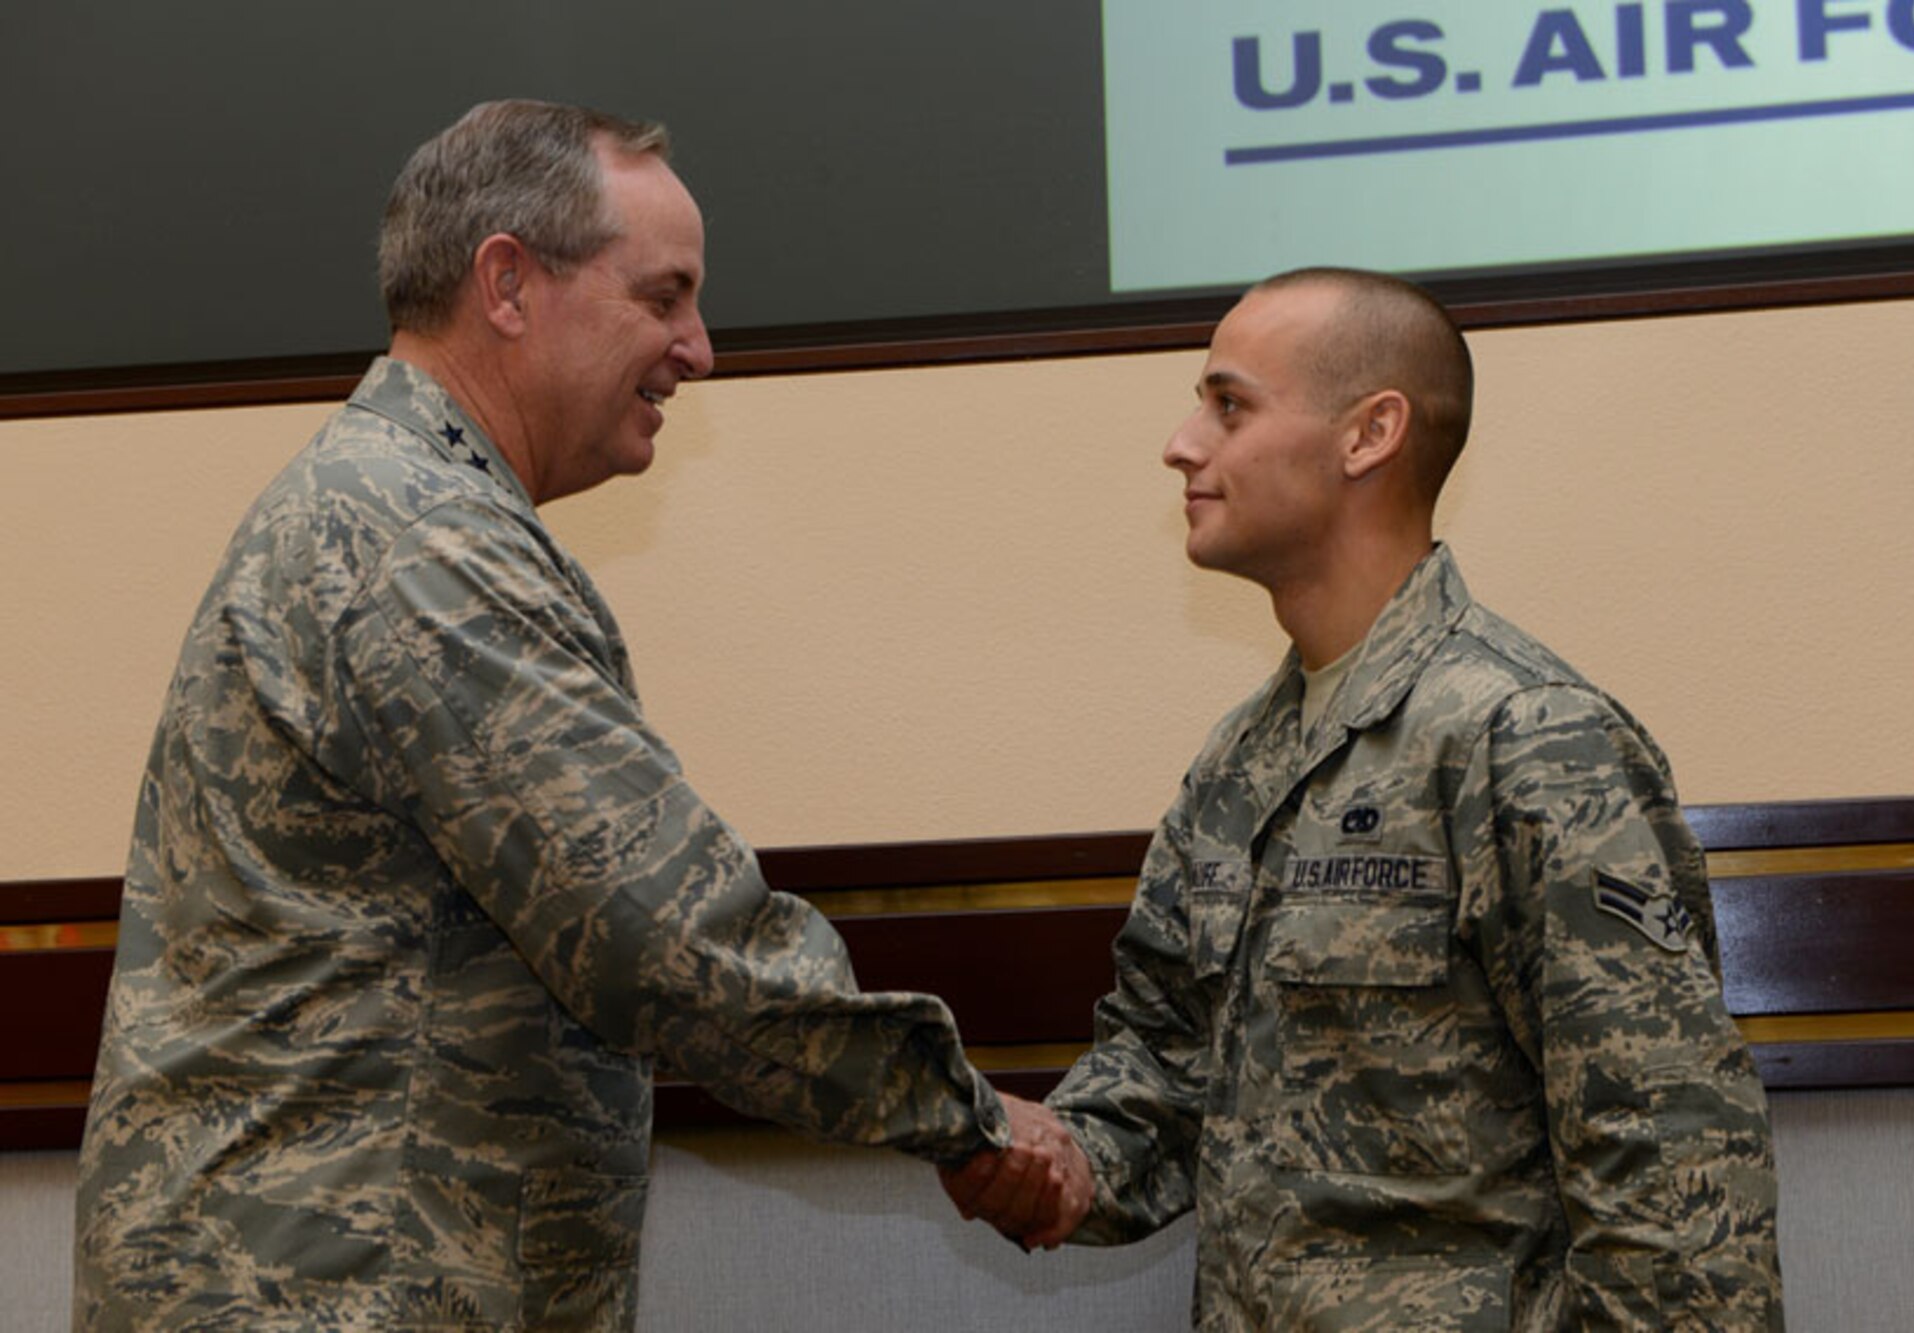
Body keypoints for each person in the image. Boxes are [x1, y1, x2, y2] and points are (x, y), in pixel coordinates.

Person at [73, 99, 1070, 1331]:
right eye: (662, 297)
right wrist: (964, 1119)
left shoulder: (395, 507)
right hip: (333, 1292)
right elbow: (662, 934)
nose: (698, 350)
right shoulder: (417, 542)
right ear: (506, 283)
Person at [942, 268, 1784, 1327]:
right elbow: (1160, 1079)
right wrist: (1040, 1158)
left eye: (1228, 404)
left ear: (1367, 434)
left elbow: (1670, 1165)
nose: (1181, 443)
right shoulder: (1237, 763)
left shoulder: (1523, 737)